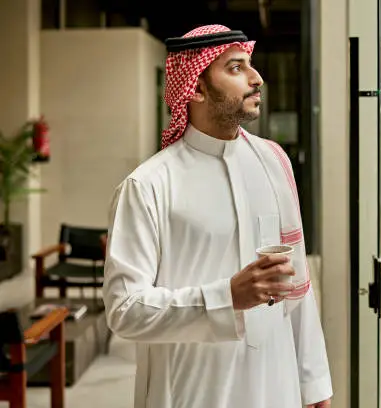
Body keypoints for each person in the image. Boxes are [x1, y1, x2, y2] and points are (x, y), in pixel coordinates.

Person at [102, 24, 333, 408]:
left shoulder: (274, 161)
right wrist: (226, 298)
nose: (257, 78)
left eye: (251, 65)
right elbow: (125, 311)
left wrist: (314, 384)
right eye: (236, 67)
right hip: (191, 390)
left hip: (276, 385)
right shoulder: (148, 185)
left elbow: (296, 286)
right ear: (196, 87)